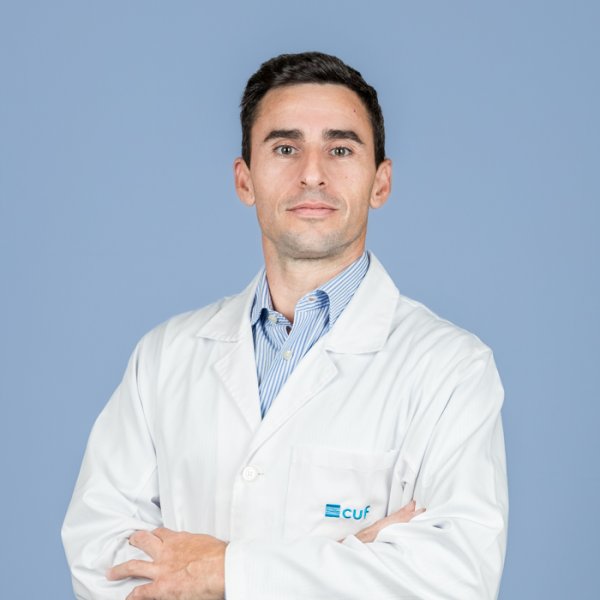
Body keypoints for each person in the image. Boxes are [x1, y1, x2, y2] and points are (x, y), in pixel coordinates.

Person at [62, 52, 508, 600]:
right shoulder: (164, 357)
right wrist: (354, 559)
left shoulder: (451, 369)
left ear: (380, 183)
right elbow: (99, 554)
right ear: (245, 180)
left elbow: (454, 578)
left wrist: (223, 572)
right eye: (285, 148)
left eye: (341, 149)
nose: (312, 173)